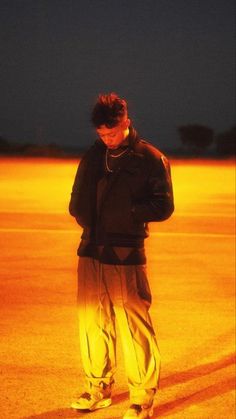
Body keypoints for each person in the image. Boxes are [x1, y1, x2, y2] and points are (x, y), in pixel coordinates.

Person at [69, 92, 174, 418]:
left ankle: (142, 397)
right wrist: (80, 213)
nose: (108, 139)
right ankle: (97, 386)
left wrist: (130, 212)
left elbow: (164, 205)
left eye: (112, 133)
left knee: (134, 326)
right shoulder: (92, 156)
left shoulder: (150, 158)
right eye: (102, 134)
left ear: (126, 122)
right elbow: (77, 196)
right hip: (90, 250)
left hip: (126, 253)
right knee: (92, 323)